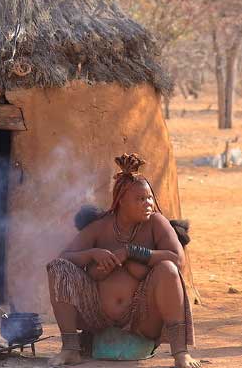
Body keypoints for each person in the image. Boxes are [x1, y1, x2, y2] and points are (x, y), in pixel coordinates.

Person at [46, 153, 200, 368]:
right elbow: (64, 258)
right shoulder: (101, 225)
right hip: (98, 316)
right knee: (58, 268)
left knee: (168, 269)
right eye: (140, 199)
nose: (148, 204)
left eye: (149, 198)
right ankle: (70, 349)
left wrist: (131, 251)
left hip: (143, 317)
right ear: (121, 201)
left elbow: (177, 258)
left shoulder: (156, 222)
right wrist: (93, 253)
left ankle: (180, 353)